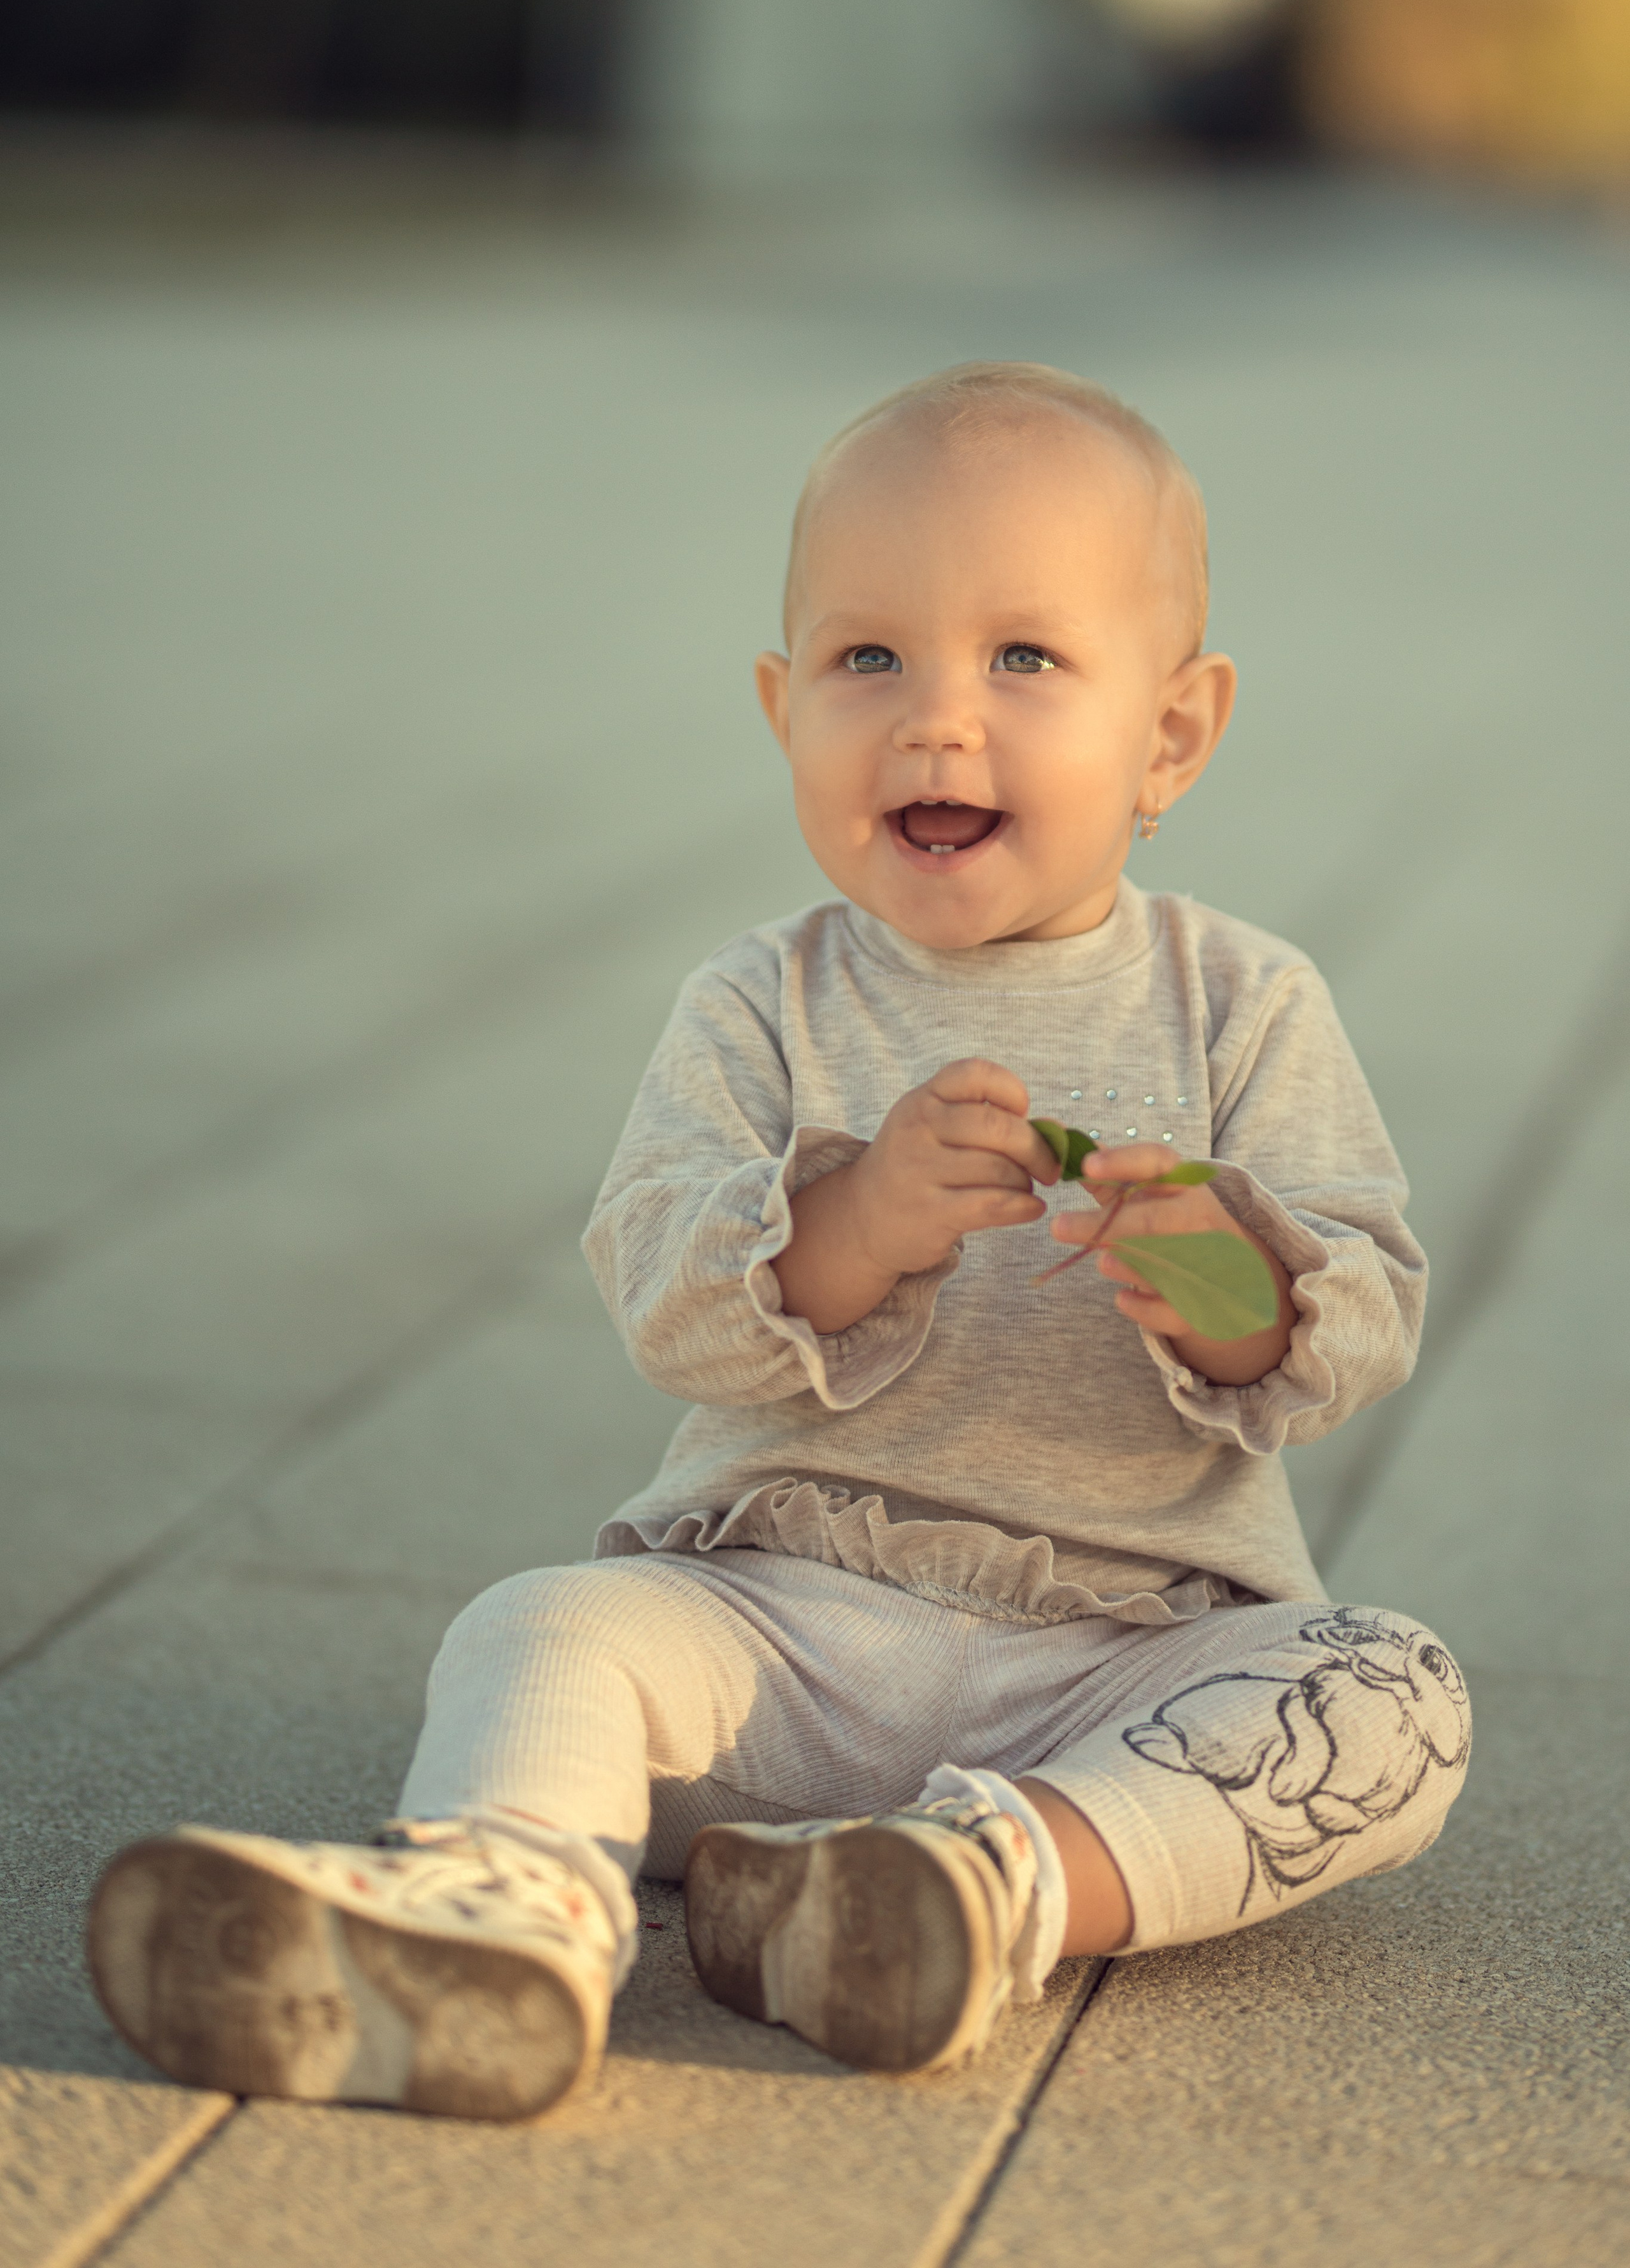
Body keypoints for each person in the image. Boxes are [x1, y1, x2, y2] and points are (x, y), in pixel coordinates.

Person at [87, 362, 1470, 2123]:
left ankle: (980, 1885)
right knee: (552, 1624)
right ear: (783, 707)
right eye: (868, 658)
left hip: (1123, 1657)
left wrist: (1216, 1273)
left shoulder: (1246, 1007)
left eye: (1025, 660)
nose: (938, 721)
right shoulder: (762, 1001)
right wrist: (852, 1225)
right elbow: (666, 1286)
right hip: (780, 1644)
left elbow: (1348, 1328)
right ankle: (510, 1906)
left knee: (1389, 1701)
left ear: (1173, 737)